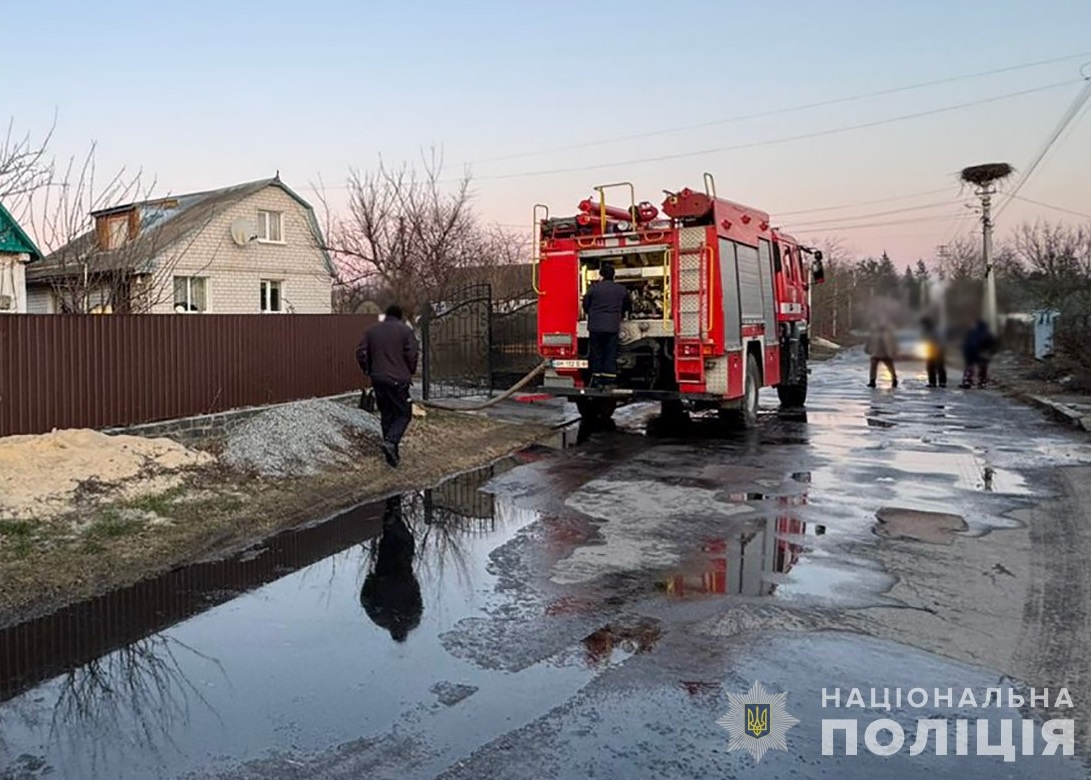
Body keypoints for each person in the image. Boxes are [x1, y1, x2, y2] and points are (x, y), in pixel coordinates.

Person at [356, 304, 419, 467]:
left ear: (386, 314)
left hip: (378, 378)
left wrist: (368, 370)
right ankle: (391, 443)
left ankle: (392, 455)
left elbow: (361, 353)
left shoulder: (371, 331)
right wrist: (409, 371)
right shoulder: (405, 331)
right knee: (404, 414)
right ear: (399, 316)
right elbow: (412, 355)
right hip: (398, 380)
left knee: (387, 414)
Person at [359, 495, 422, 643]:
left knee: (405, 543)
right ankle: (392, 512)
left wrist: (413, 582)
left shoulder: (411, 619)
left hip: (400, 576)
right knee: (390, 544)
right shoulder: (381, 620)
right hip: (385, 576)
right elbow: (366, 599)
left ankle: (392, 514)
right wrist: (370, 579)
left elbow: (418, 599)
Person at [582, 263, 632, 388]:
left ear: (601, 275)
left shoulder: (594, 288)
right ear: (613, 276)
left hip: (595, 326)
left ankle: (597, 379)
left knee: (597, 352)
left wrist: (592, 314)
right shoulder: (621, 289)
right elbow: (628, 306)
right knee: (610, 352)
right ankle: (609, 380)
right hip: (612, 326)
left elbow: (586, 304)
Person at [960, 319, 996, 389]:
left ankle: (967, 381)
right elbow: (991, 343)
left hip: (971, 352)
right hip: (982, 353)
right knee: (982, 369)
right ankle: (982, 383)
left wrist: (965, 352)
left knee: (969, 368)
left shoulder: (972, 332)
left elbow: (967, 343)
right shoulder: (987, 333)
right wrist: (989, 352)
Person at [865, 320, 898, 389]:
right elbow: (869, 341)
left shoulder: (888, 334)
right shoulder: (874, 334)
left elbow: (893, 343)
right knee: (874, 367)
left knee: (890, 367)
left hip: (885, 353)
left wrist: (893, 351)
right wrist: (867, 348)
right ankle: (872, 381)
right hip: (876, 353)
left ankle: (894, 379)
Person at [920, 316, 947, 388]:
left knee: (939, 367)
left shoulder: (935, 330)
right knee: (930, 367)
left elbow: (940, 340)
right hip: (930, 350)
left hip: (938, 350)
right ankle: (932, 382)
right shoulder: (925, 331)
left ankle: (942, 382)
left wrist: (939, 348)